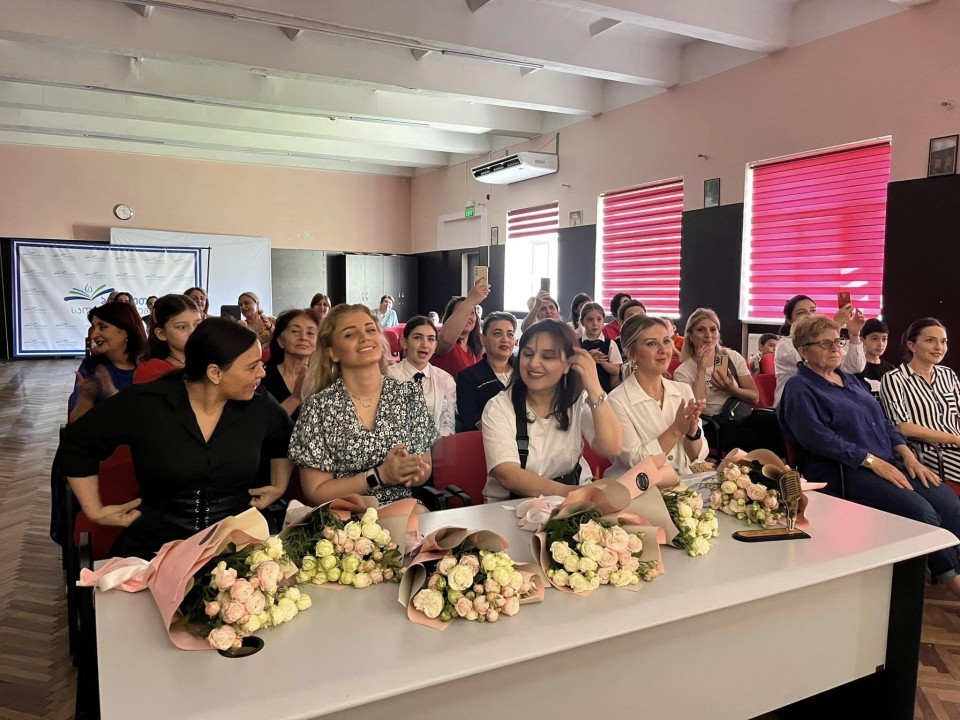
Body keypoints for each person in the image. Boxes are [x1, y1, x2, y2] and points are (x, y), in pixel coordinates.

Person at [58, 319, 294, 559]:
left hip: (237, 546)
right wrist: (94, 510)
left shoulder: (259, 404)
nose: (262, 373)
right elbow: (77, 443)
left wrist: (279, 485)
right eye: (252, 367)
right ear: (214, 373)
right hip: (154, 547)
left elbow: (284, 437)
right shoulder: (146, 404)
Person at [779, 314, 960, 597]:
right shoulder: (799, 387)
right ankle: (952, 580)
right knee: (920, 511)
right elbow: (818, 439)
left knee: (948, 502)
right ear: (804, 351)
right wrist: (872, 462)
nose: (835, 348)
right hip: (842, 469)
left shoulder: (850, 380)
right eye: (825, 344)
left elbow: (884, 423)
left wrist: (908, 456)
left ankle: (954, 567)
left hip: (887, 460)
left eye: (837, 341)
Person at [289, 304, 437, 505]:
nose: (364, 337)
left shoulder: (409, 395)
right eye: (350, 334)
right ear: (333, 352)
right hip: (344, 514)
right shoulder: (318, 408)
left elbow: (424, 467)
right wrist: (380, 476)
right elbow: (316, 492)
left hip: (401, 507)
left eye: (370, 330)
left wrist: (413, 471)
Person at [481, 320, 623, 502]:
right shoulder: (499, 406)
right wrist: (576, 493)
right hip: (511, 506)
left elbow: (612, 447)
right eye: (528, 354)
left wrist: (595, 388)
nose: (534, 363)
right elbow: (507, 475)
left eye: (547, 357)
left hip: (571, 500)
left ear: (568, 364)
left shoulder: (578, 399)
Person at [673, 307, 783, 456]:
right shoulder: (683, 371)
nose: (708, 335)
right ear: (690, 336)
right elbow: (697, 410)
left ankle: (779, 467)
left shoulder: (731, 357)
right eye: (701, 330)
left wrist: (731, 389)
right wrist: (701, 370)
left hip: (739, 414)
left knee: (775, 422)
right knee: (751, 438)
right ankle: (758, 468)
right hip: (713, 423)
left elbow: (755, 397)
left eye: (713, 330)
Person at [607, 315, 707, 477]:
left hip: (683, 484)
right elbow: (636, 463)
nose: (663, 350)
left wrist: (693, 432)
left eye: (666, 341)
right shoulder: (616, 401)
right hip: (640, 488)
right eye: (651, 343)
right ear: (631, 353)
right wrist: (676, 430)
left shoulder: (683, 391)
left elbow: (697, 457)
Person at [880, 318, 960, 485]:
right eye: (930, 340)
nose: (939, 347)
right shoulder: (895, 379)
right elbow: (902, 427)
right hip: (931, 451)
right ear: (912, 346)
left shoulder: (948, 374)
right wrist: (954, 439)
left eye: (943, 341)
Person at [773, 294, 865, 406]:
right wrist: (835, 326)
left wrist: (854, 334)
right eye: (801, 313)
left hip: (828, 399)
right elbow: (814, 360)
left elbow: (853, 368)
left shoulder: (829, 343)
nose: (810, 315)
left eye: (813, 310)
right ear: (789, 320)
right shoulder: (785, 345)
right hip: (796, 403)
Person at [69, 302, 147, 423]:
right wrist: (86, 398)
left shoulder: (149, 366)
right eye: (93, 327)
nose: (94, 335)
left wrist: (113, 395)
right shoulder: (92, 365)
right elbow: (75, 423)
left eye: (103, 327)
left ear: (125, 331)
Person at [387, 316, 456, 437]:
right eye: (418, 338)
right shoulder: (389, 376)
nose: (425, 345)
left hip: (437, 444)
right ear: (404, 342)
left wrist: (436, 445)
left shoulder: (445, 380)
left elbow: (448, 424)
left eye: (430, 339)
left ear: (435, 345)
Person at [457, 311, 517, 432]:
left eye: (510, 334)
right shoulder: (469, 377)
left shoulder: (524, 372)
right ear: (483, 339)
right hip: (491, 439)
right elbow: (470, 419)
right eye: (497, 334)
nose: (505, 339)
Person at [262, 308, 321, 419]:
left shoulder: (325, 379)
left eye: (310, 333)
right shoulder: (262, 377)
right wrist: (295, 397)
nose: (303, 337)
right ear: (280, 341)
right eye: (295, 331)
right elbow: (262, 425)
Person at [133, 294, 203, 384]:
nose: (193, 332)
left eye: (197, 324)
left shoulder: (211, 361)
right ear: (161, 333)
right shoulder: (152, 371)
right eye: (182, 327)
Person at [433, 279, 489, 379]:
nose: (467, 316)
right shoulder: (441, 339)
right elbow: (445, 340)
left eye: (472, 313)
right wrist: (471, 300)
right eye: (461, 312)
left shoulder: (476, 347)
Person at [578, 302, 622, 392]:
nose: (595, 324)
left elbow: (616, 370)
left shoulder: (610, 344)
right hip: (581, 392)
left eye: (599, 319)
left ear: (603, 320)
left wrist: (603, 362)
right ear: (582, 322)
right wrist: (590, 360)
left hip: (604, 391)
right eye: (590, 320)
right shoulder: (576, 344)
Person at [858, 319, 896, 395]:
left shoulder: (890, 369)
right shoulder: (856, 368)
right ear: (863, 340)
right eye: (874, 339)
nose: (880, 344)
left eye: (884, 339)